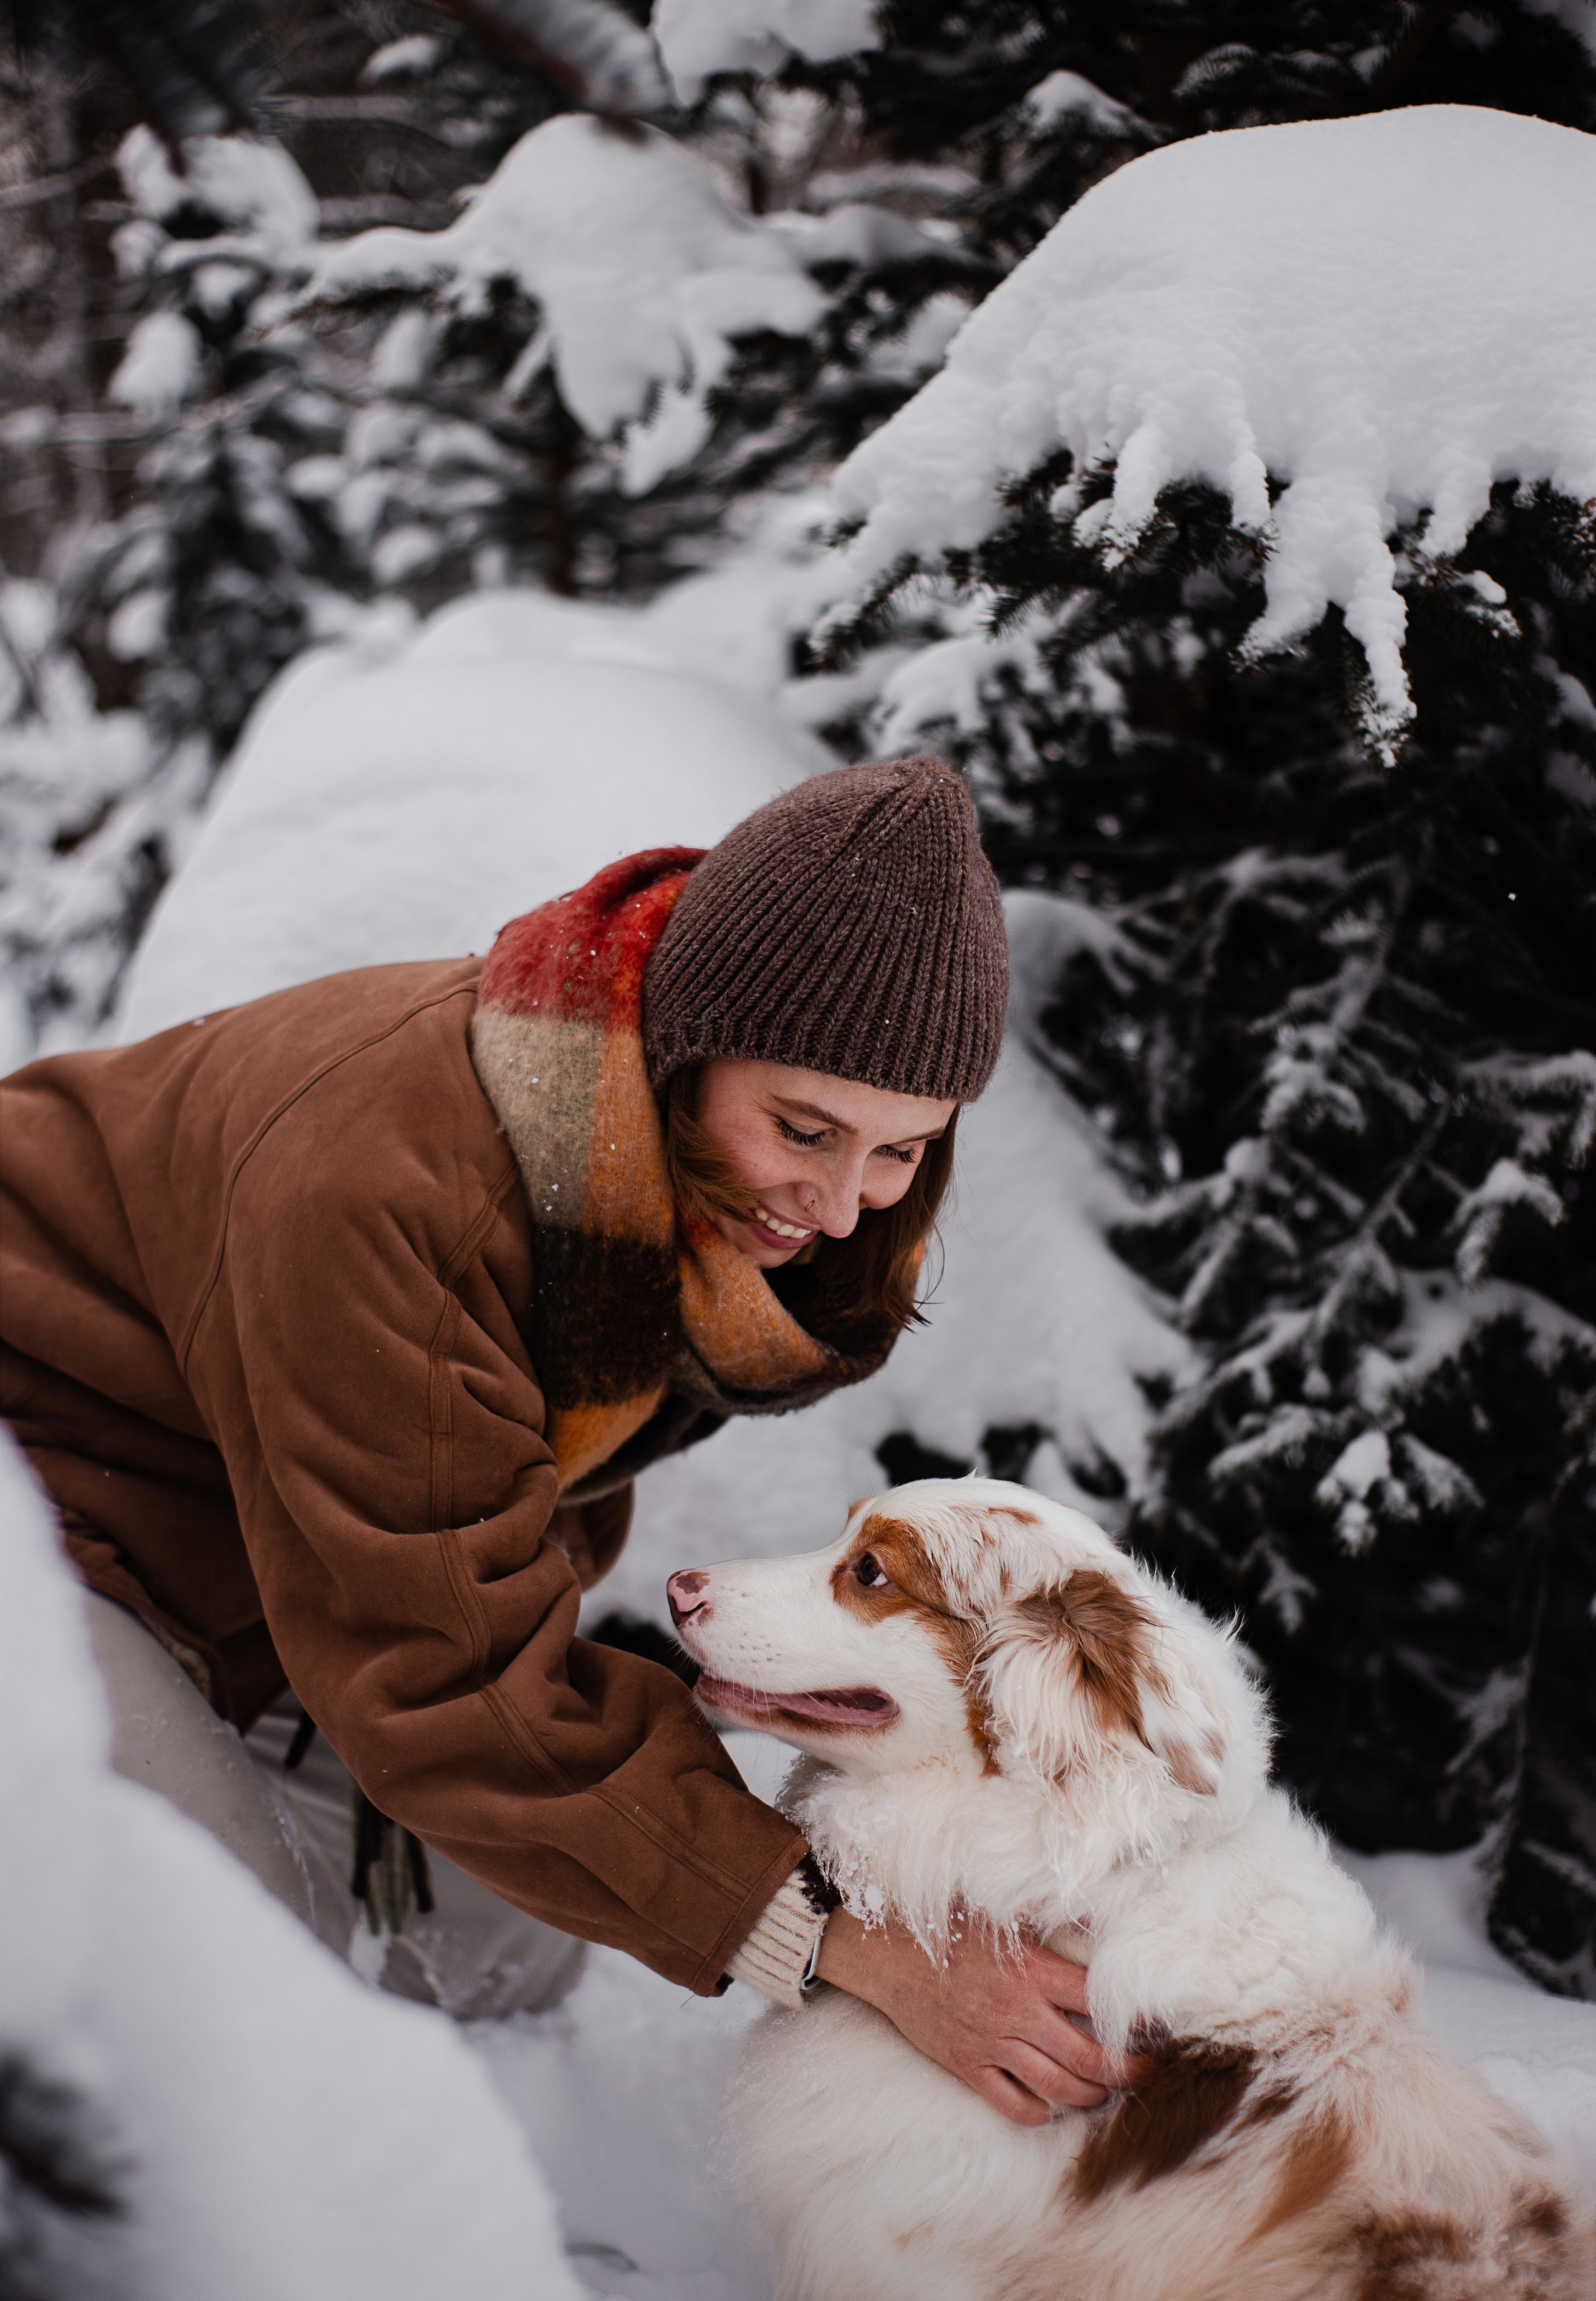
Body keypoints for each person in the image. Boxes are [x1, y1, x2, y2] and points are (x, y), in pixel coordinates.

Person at [1, 755, 1130, 2124]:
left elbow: (457, 1555)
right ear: (688, 1045)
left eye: (900, 1152)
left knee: (499, 1944)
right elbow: (450, 1674)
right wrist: (848, 1938)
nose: (841, 1208)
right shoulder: (391, 1186)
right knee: (213, 1975)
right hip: (37, 1502)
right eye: (805, 1129)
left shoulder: (644, 1185)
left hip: (237, 1540)